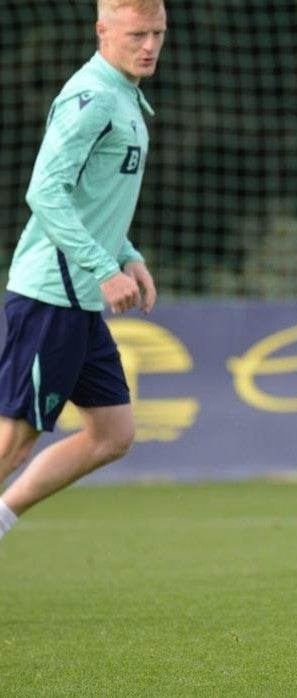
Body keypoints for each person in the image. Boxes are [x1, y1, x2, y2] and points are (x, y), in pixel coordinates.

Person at [0, 0, 166, 543]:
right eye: (137, 33)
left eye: (157, 33)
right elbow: (45, 193)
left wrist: (127, 256)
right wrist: (102, 267)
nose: (149, 45)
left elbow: (92, 200)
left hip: (78, 295)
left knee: (112, 433)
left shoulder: (125, 96)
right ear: (103, 31)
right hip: (52, 291)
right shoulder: (92, 97)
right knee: (14, 439)